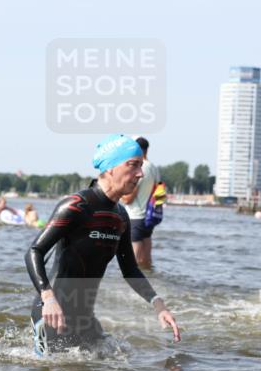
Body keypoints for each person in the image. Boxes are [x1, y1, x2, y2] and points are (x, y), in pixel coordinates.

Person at [25, 134, 180, 354]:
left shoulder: (120, 216)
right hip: (53, 315)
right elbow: (34, 251)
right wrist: (48, 298)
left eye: (141, 165)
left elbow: (130, 269)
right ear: (110, 168)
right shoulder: (76, 206)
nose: (140, 173)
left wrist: (158, 305)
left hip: (86, 319)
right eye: (133, 165)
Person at [120, 137, 160, 269]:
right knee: (146, 259)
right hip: (149, 216)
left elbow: (129, 198)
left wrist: (120, 195)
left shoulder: (139, 169)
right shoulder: (154, 168)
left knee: (134, 260)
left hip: (136, 215)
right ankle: (149, 279)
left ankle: (132, 287)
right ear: (147, 149)